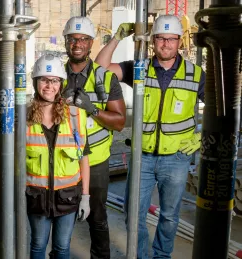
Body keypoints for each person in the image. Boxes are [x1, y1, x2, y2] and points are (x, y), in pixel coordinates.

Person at [95, 15, 205, 258]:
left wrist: (202, 137)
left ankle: (162, 256)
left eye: (171, 39)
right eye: (161, 38)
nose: (166, 44)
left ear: (179, 42)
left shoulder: (195, 74)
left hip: (176, 158)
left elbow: (222, 111)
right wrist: (117, 37)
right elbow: (100, 68)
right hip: (141, 157)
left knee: (169, 215)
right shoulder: (139, 68)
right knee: (133, 213)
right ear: (153, 41)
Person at [60, 16, 126, 259]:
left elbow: (119, 122)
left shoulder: (105, 78)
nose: (77, 43)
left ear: (91, 44)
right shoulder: (54, 75)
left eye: (84, 39)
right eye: (73, 39)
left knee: (97, 219)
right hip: (62, 160)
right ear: (66, 42)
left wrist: (93, 109)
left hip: (96, 161)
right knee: (58, 217)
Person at [26, 54, 91, 259]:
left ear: (61, 84)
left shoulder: (75, 116)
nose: (49, 86)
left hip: (68, 196)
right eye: (44, 80)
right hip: (37, 197)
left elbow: (84, 158)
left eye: (54, 81)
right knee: (38, 245)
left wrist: (86, 197)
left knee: (62, 247)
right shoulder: (24, 117)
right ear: (36, 82)